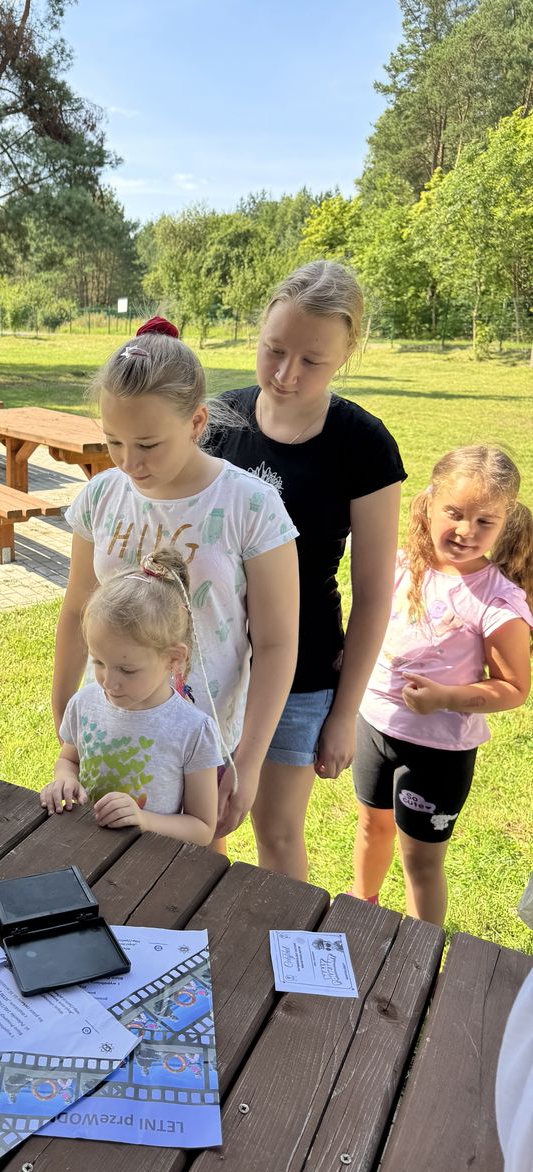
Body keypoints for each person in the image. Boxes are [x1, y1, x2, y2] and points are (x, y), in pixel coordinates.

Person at [52, 317, 299, 851]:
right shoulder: (101, 497)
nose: (129, 462)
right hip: (112, 722)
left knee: (191, 867)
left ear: (196, 422)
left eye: (147, 444)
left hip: (202, 741)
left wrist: (249, 761)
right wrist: (63, 708)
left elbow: (277, 643)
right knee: (102, 856)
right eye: (113, 441)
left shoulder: (250, 505)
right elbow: (76, 611)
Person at [211, 260, 406, 879]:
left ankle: (282, 941)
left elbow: (372, 595)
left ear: (346, 354)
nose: (285, 374)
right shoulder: (217, 422)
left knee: (275, 830)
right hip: (208, 662)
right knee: (202, 820)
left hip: (303, 669)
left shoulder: (364, 445)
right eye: (274, 350)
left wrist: (345, 714)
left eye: (312, 361)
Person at [350, 446, 532, 925]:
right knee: (371, 826)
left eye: (484, 521)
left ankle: (418, 949)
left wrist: (446, 698)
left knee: (421, 862)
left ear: (505, 521)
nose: (467, 530)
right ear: (429, 503)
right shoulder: (400, 565)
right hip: (373, 725)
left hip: (438, 752)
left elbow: (514, 687)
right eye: (455, 513)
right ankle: (360, 910)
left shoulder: (498, 602)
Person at [42, 547, 223, 847]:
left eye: (127, 670)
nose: (109, 682)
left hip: (147, 864)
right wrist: (65, 779)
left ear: (174, 659)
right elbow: (68, 759)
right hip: (83, 848)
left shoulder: (193, 730)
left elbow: (202, 828)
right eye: (99, 662)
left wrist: (143, 820)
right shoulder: (84, 704)